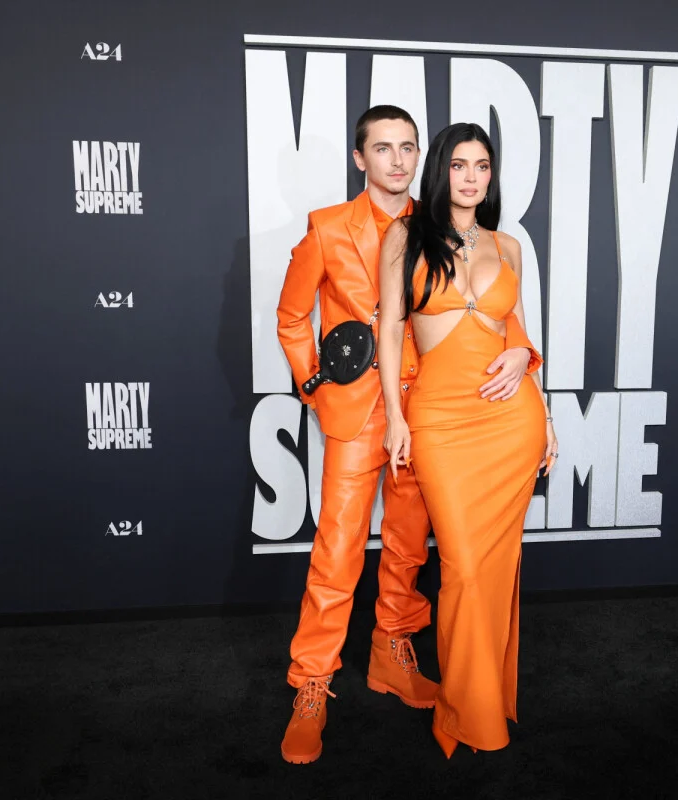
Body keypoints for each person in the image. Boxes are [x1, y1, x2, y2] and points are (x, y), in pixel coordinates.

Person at [274, 107, 538, 765]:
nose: (397, 160)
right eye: (383, 148)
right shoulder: (327, 228)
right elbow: (291, 317)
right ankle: (311, 684)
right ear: (359, 158)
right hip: (361, 415)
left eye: (408, 148)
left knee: (408, 548)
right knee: (338, 551)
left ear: (422, 157)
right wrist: (317, 386)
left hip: (433, 416)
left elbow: (497, 309)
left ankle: (392, 652)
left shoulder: (441, 222)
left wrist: (523, 352)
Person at [377, 122, 558, 757]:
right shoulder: (405, 235)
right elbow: (390, 328)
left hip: (512, 423)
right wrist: (395, 418)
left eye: (482, 166)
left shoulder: (509, 246)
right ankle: (464, 707)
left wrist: (540, 395)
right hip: (441, 422)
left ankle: (475, 706)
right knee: (461, 567)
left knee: (495, 568)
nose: (472, 177)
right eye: (459, 165)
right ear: (440, 171)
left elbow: (519, 330)